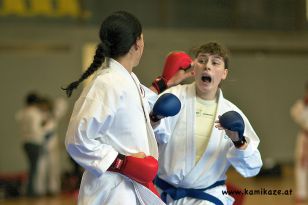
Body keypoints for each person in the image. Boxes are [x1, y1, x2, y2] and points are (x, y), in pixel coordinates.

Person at [62, 11, 166, 205]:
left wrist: (168, 80)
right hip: (110, 189)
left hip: (132, 184)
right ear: (138, 42)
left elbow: (138, 109)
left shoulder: (128, 79)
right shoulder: (106, 83)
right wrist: (122, 163)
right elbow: (76, 139)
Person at [152, 42, 263, 205]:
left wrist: (239, 142)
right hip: (161, 193)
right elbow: (142, 135)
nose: (207, 67)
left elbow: (253, 167)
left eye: (215, 62)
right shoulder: (173, 97)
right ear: (193, 68)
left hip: (206, 198)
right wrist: (154, 118)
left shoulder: (232, 113)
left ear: (224, 73)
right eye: (202, 60)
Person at [35, 96, 68, 196]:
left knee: (54, 167)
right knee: (41, 168)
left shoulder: (52, 115)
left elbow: (62, 103)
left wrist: (53, 107)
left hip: (52, 144)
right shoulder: (37, 115)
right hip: (41, 143)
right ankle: (40, 190)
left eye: (45, 105)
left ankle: (53, 189)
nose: (44, 107)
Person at [15, 92, 46, 197]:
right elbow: (35, 129)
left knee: (32, 167)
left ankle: (29, 190)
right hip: (34, 141)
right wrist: (44, 128)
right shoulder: (35, 113)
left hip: (25, 141)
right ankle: (30, 191)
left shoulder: (23, 112)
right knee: (34, 168)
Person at [290, 81, 308, 203]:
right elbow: (295, 114)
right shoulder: (302, 104)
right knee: (301, 165)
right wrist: (304, 105)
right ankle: (301, 193)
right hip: (305, 137)